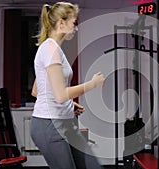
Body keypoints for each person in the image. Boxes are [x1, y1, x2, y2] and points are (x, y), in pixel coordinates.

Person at [30, 2, 105, 169]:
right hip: (49, 124)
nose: (76, 28)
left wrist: (69, 105)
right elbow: (60, 95)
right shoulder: (50, 49)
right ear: (61, 23)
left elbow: (37, 91)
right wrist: (91, 84)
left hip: (65, 122)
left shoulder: (53, 49)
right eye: (74, 23)